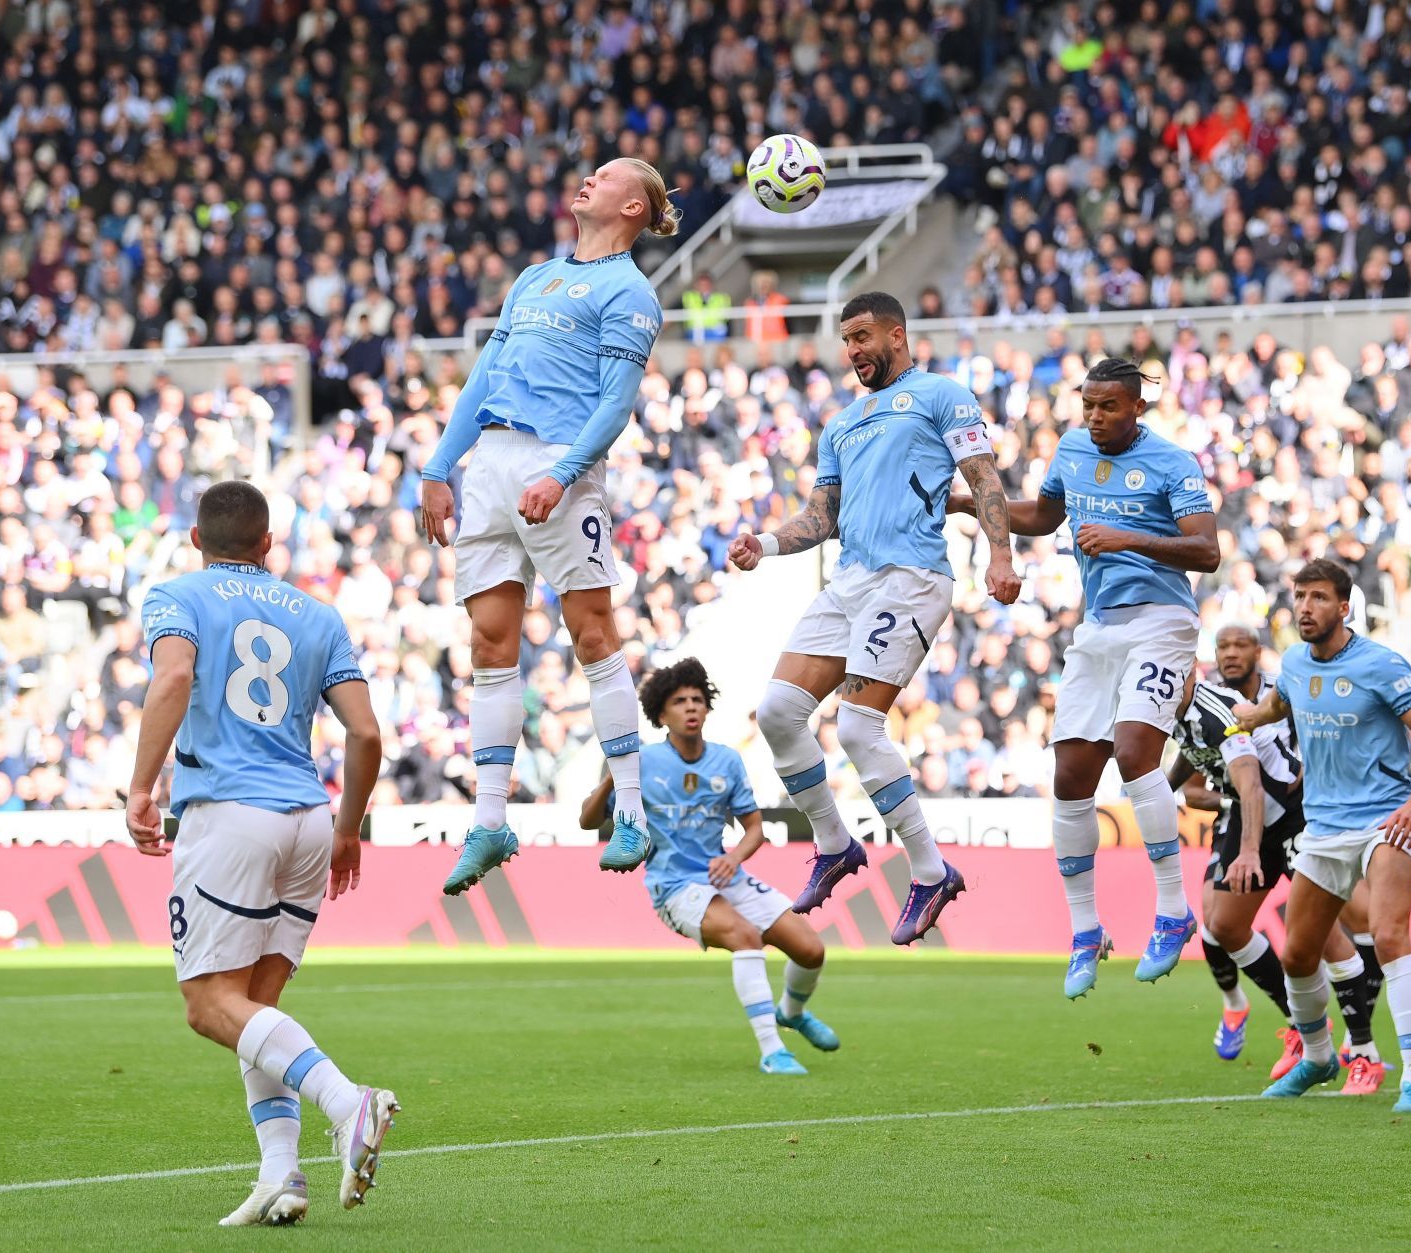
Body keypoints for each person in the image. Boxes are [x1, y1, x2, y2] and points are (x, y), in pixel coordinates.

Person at [124, 481, 395, 1226]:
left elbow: (174, 675)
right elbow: (367, 733)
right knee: (256, 1008)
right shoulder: (319, 614)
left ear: (195, 539)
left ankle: (350, 1101)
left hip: (229, 814)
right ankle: (282, 1173)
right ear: (268, 544)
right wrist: (348, 828)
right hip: (309, 817)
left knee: (209, 1005)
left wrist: (141, 788)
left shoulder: (176, 594)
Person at [418, 158, 678, 895]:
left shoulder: (631, 293)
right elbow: (483, 379)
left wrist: (562, 474)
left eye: (604, 178)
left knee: (592, 632)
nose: (585, 181)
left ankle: (631, 808)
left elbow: (616, 404)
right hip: (492, 462)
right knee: (489, 644)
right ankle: (491, 820)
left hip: (558, 461)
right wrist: (440, 465)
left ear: (633, 206)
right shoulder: (535, 278)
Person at [729, 291, 1019, 945]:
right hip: (848, 582)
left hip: (911, 579)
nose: (854, 350)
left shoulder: (943, 395)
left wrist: (1000, 555)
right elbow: (819, 516)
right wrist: (765, 544)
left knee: (858, 727)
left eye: (864, 336)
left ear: (897, 333)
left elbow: (984, 477)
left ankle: (930, 868)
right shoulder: (842, 424)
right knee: (777, 711)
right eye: (847, 340)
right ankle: (834, 842)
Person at [950, 356, 1218, 994]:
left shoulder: (1174, 462)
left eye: (1109, 407)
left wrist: (1127, 538)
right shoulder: (1071, 448)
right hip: (1097, 627)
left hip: (1161, 620)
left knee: (1133, 754)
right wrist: (970, 502)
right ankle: (1085, 931)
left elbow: (1207, 550)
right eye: (1088, 405)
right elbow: (1044, 518)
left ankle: (1174, 912)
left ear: (1137, 408)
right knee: (1069, 778)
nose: (1095, 417)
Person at [1230, 558, 1411, 1113]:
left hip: (1382, 823)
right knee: (1298, 955)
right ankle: (1318, 1057)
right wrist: (1253, 718)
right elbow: (1282, 700)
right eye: (1300, 596)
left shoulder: (1381, 665)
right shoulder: (1293, 663)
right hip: (1323, 830)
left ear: (1344, 606)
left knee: (1388, 936)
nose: (1305, 607)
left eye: (1318, 598)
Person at [580, 658, 837, 1075]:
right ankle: (773, 1051)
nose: (691, 707)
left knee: (811, 951)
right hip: (674, 884)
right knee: (745, 937)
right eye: (680, 701)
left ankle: (791, 1012)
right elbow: (588, 821)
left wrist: (733, 856)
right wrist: (613, 776)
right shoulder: (641, 762)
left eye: (697, 699)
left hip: (726, 875)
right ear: (661, 714)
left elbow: (754, 829)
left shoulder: (727, 760)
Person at [1169, 623, 1386, 1095]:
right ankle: (1304, 1029)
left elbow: (1259, 767)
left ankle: (1364, 1052)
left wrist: (1316, 766)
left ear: (1257, 652)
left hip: (1294, 815)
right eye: (1222, 646)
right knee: (1222, 925)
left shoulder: (1276, 692)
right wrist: (1167, 792)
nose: (1230, 654)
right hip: (1246, 818)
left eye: (1239, 645)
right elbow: (1193, 768)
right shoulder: (1194, 704)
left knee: (1333, 932)